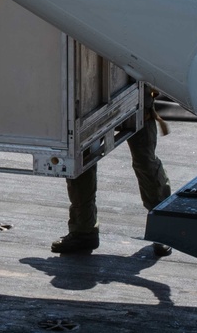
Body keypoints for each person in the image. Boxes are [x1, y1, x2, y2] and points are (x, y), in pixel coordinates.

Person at [51, 86, 172, 256]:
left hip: (136, 93)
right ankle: (84, 231)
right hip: (91, 95)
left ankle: (163, 229)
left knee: (145, 161)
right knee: (82, 161)